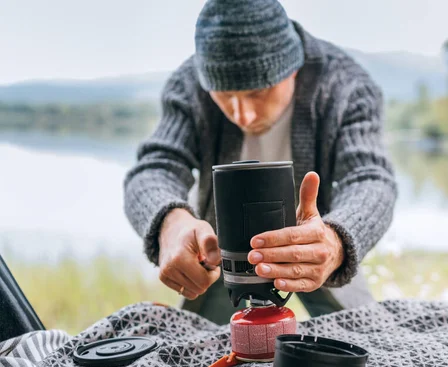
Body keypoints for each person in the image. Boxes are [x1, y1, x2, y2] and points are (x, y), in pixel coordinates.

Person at [123, 0, 397, 325]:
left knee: (363, 339)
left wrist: (337, 240)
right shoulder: (188, 85)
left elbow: (371, 178)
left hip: (316, 241)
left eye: (258, 93)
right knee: (197, 349)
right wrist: (170, 223)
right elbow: (155, 167)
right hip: (221, 251)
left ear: (293, 67)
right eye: (224, 97)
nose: (243, 115)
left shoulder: (346, 85)